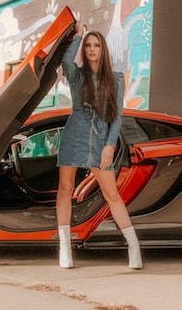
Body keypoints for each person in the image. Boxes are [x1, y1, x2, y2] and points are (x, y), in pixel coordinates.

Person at [55, 22, 142, 269]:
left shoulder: (115, 79)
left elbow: (117, 116)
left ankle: (133, 246)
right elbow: (66, 61)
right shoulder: (76, 75)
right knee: (65, 188)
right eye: (88, 46)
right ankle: (65, 249)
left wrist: (110, 145)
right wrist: (78, 36)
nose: (92, 49)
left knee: (111, 194)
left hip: (101, 136)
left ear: (103, 50)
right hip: (75, 132)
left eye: (96, 45)